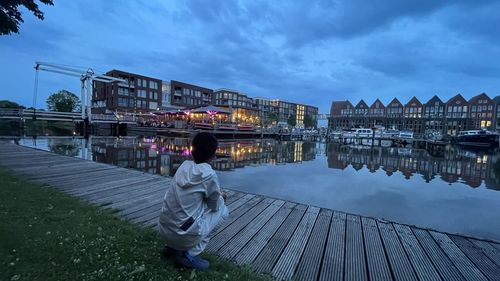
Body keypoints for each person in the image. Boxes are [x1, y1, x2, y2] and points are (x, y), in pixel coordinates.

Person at [158, 132, 229, 270]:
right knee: (223, 210)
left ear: (192, 150)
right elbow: (214, 206)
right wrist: (221, 197)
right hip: (183, 235)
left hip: (164, 229)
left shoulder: (183, 167)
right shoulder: (209, 174)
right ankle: (189, 255)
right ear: (213, 154)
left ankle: (172, 247)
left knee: (187, 209)